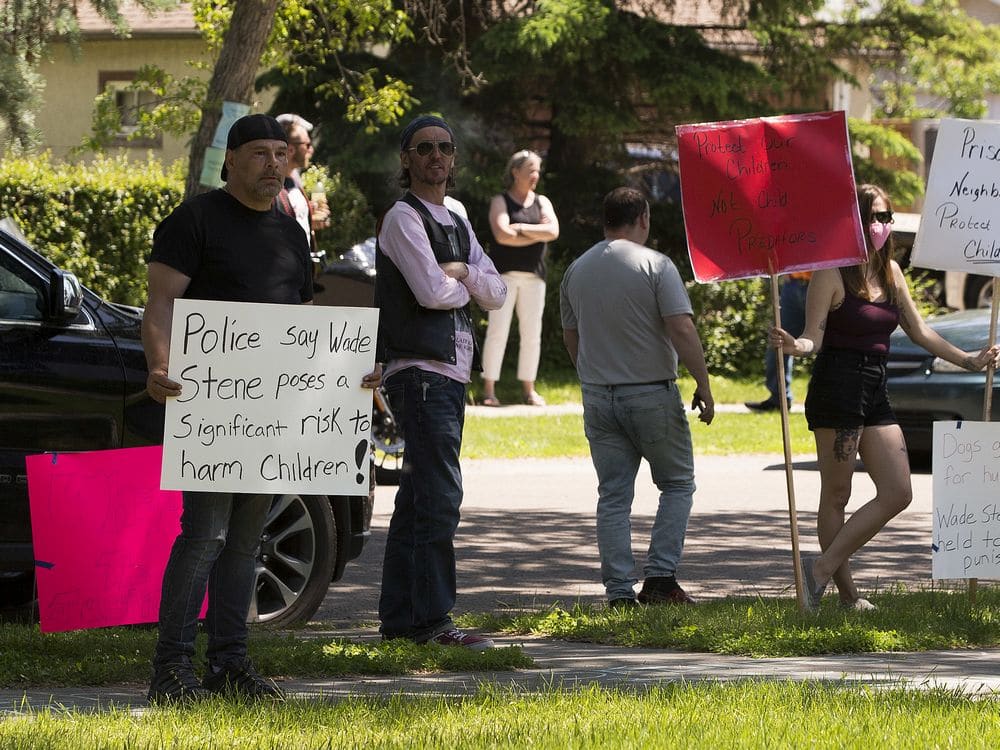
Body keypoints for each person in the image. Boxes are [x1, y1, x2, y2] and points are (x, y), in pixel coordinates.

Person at [142, 114, 380, 703]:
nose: (273, 164)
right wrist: (158, 366)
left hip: (269, 415)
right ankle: (170, 670)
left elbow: (300, 327)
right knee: (203, 538)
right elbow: (160, 305)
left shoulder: (290, 231)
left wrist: (349, 373)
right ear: (231, 161)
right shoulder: (193, 220)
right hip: (212, 409)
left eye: (281, 153)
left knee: (247, 543)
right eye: (259, 154)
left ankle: (230, 664)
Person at [772, 183, 999, 612]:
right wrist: (794, 346)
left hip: (875, 386)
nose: (881, 225)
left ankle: (820, 568)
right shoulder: (832, 272)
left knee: (897, 490)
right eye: (873, 216)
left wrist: (968, 359)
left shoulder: (891, 272)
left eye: (886, 216)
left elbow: (921, 330)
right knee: (836, 494)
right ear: (854, 222)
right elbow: (812, 337)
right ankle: (848, 596)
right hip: (837, 385)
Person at [374, 114, 507, 648]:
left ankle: (403, 620)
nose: (436, 156)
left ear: (454, 158)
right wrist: (461, 280)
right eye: (424, 147)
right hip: (420, 372)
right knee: (438, 494)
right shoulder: (402, 218)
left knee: (419, 498)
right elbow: (431, 292)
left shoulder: (456, 214)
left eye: (444, 147)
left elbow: (495, 293)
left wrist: (464, 274)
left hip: (451, 371)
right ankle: (431, 621)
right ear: (406, 159)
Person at [559, 187, 715, 609]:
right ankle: (661, 579)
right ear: (643, 217)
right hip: (650, 393)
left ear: (606, 220)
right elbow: (681, 327)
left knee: (613, 495)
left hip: (598, 395)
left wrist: (590, 375)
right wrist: (703, 381)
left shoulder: (577, 269)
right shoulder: (656, 265)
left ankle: (619, 592)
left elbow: (571, 336)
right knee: (678, 483)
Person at [480, 150, 559, 407]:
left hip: (534, 277)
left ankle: (529, 390)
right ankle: (489, 390)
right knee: (497, 332)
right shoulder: (500, 201)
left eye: (537, 170)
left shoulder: (542, 201)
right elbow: (502, 235)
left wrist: (521, 229)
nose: (535, 175)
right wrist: (538, 233)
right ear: (515, 172)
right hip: (503, 276)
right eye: (530, 170)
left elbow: (553, 231)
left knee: (532, 334)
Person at [745, 272, 809, 412]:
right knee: (778, 341)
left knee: (829, 342)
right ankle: (778, 400)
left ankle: (825, 399)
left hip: (819, 283)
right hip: (792, 284)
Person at [275, 113, 330, 249]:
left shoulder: (294, 180)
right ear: (291, 149)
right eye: (307, 144)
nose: (311, 150)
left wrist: (310, 216)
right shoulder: (270, 187)